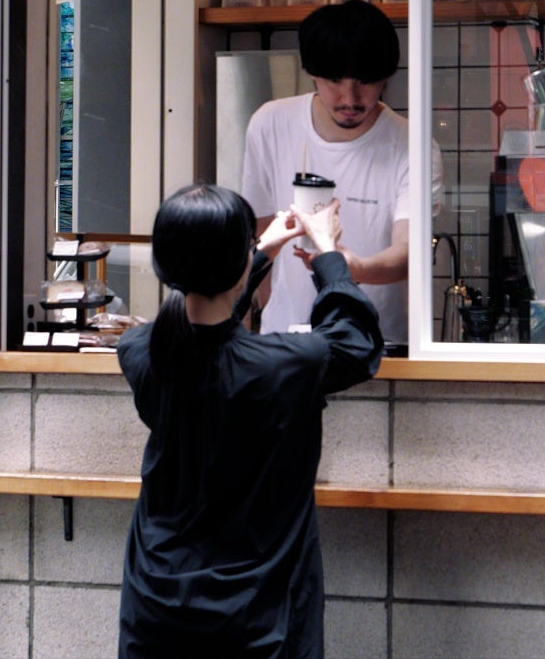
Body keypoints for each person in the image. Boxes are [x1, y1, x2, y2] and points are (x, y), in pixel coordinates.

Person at [116, 184, 383, 658]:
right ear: (236, 266)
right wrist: (326, 251)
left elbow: (201, 326)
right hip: (262, 616)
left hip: (157, 605)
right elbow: (356, 341)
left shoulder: (139, 352)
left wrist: (258, 256)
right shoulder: (285, 366)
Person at [239, 0, 440, 345]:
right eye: (334, 80)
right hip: (283, 343)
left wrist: (351, 268)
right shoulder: (270, 123)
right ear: (313, 73)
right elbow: (260, 232)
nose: (350, 98)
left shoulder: (413, 144)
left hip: (374, 346)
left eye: (366, 81)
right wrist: (266, 314)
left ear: (385, 78)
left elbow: (410, 251)